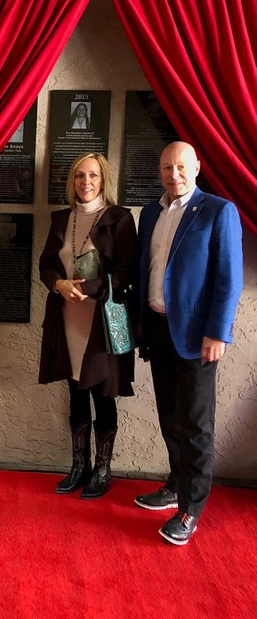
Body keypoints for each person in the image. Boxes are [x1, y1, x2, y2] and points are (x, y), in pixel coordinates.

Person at [133, 141, 242, 545]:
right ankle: (176, 485)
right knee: (169, 416)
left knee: (197, 424)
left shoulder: (218, 211)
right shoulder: (150, 213)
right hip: (158, 330)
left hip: (198, 337)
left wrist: (218, 332)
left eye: (181, 167)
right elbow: (147, 269)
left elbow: (228, 279)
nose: (173, 175)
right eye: (166, 167)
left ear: (196, 167)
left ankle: (191, 509)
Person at [39, 153, 137, 499]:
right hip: (66, 319)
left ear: (103, 179)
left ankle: (103, 468)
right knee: (76, 392)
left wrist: (88, 288)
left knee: (102, 393)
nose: (86, 182)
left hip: (102, 323)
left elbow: (127, 272)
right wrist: (58, 284)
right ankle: (78, 465)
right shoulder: (61, 219)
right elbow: (46, 266)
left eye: (93, 175)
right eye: (80, 175)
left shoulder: (119, 219)